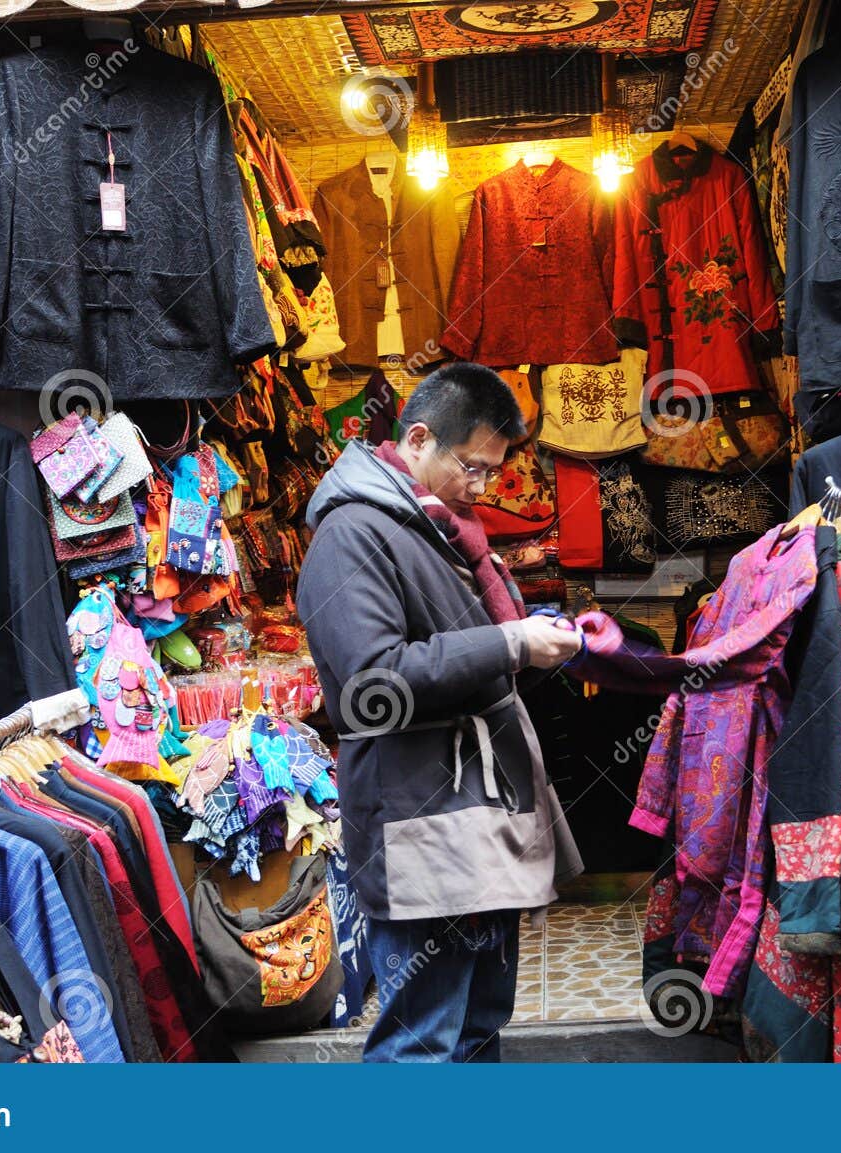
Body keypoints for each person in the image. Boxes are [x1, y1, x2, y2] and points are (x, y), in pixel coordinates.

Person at [297, 361, 584, 1062]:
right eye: (474, 468)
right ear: (418, 438)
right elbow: (374, 679)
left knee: (481, 1019)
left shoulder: (437, 526)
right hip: (422, 815)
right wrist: (511, 641)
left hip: (475, 815)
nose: (483, 488)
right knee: (422, 1040)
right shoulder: (352, 532)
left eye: (493, 471)